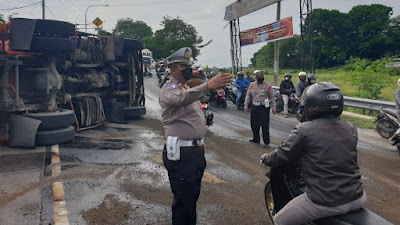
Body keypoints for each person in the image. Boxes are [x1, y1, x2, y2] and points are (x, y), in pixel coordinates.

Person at [261, 82, 366, 225]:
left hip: (325, 201)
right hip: (357, 197)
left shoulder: (305, 129)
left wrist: (266, 158)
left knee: (280, 220)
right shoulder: (350, 128)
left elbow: (282, 154)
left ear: (313, 106)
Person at [160, 47, 233, 225]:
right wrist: (207, 86)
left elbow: (192, 115)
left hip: (194, 150)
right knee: (184, 203)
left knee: (191, 197)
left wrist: (199, 141)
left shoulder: (185, 88)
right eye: (184, 66)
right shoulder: (170, 87)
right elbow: (180, 99)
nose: (188, 69)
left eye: (189, 65)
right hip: (181, 152)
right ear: (173, 68)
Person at [244, 72, 276, 147]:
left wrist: (274, 107)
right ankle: (256, 138)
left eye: (261, 79)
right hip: (255, 107)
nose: (260, 81)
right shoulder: (252, 85)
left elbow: (272, 97)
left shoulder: (267, 85)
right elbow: (248, 96)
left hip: (264, 108)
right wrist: (246, 105)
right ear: (256, 78)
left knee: (265, 125)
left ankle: (266, 141)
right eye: (259, 79)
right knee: (254, 124)